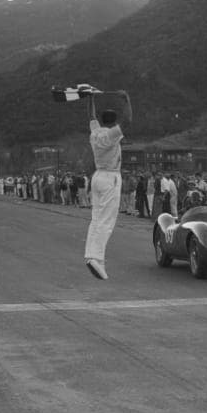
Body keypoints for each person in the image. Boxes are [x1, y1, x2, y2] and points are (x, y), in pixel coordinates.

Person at [83, 91, 131, 280]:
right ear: (113, 122)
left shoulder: (96, 132)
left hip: (97, 175)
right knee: (107, 220)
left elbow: (90, 116)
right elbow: (127, 121)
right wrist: (127, 100)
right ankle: (96, 257)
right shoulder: (111, 135)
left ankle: (92, 255)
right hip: (111, 176)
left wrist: (90, 98)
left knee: (96, 218)